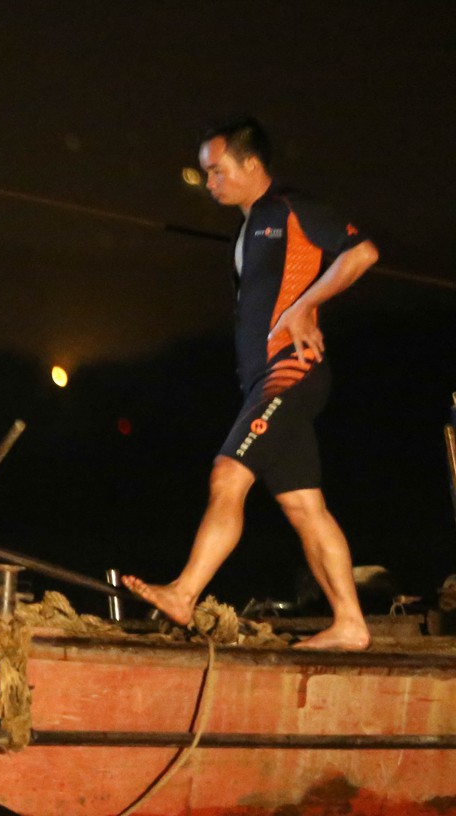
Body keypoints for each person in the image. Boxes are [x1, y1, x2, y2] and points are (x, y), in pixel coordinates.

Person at [123, 119, 380, 650]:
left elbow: (361, 253)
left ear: (251, 164)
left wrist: (307, 305)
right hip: (264, 380)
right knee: (304, 507)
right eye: (205, 173)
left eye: (217, 171)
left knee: (227, 476)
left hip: (290, 372)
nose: (209, 182)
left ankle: (184, 593)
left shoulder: (289, 207)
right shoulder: (247, 230)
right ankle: (351, 623)